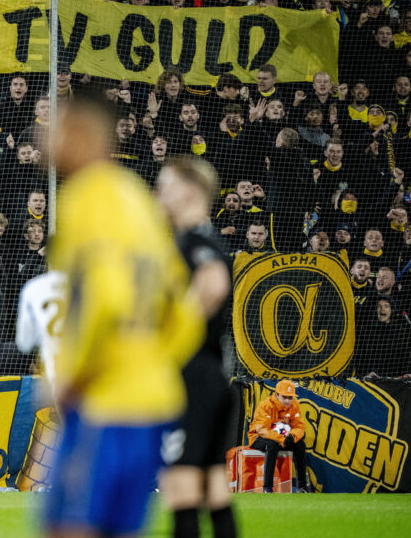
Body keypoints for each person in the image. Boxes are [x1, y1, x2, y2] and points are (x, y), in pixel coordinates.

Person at [43, 93, 202, 538]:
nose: (44, 137)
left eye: (53, 126)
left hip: (104, 401)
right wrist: (151, 361)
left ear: (81, 134)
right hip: (153, 401)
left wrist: (75, 378)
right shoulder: (138, 201)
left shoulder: (85, 199)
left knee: (69, 527)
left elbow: (107, 299)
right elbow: (183, 311)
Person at [155, 158, 238, 538]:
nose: (158, 195)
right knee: (214, 487)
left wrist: (173, 337)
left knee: (180, 485)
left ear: (190, 192)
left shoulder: (195, 240)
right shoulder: (197, 237)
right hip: (211, 373)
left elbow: (214, 282)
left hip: (193, 373)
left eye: (164, 186)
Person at [247, 379, 311, 493]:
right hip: (258, 438)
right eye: (284, 397)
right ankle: (267, 488)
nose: (287, 400)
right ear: (276, 394)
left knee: (300, 444)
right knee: (272, 445)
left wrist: (292, 436)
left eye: (290, 397)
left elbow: (299, 427)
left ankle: (302, 486)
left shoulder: (295, 405)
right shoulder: (265, 405)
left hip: (282, 439)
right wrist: (282, 439)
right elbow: (262, 430)